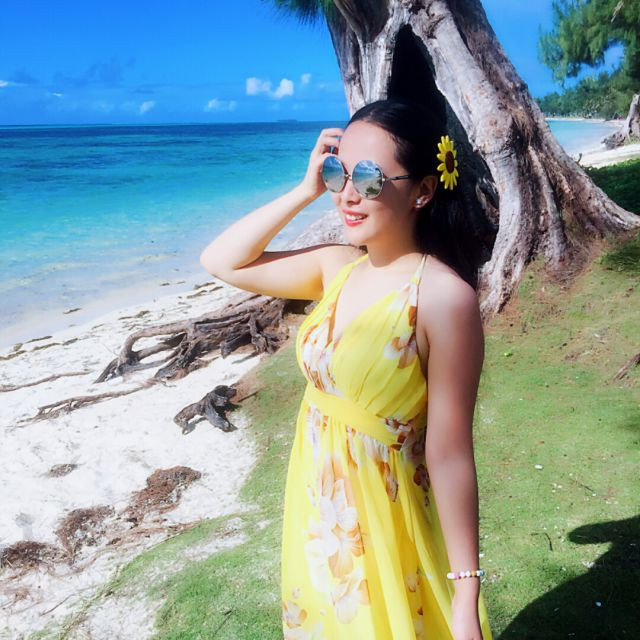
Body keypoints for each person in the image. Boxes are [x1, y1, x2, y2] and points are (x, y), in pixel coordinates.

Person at [199, 96, 493, 639]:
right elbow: (221, 260)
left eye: (369, 178)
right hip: (318, 510)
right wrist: (304, 190)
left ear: (423, 190)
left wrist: (466, 595)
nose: (348, 195)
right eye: (339, 173)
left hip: (386, 516)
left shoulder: (442, 298)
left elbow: (450, 454)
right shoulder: (337, 267)